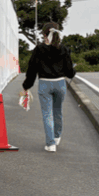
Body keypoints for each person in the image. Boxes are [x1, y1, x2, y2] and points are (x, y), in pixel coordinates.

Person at [21, 22, 76, 152]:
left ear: (44, 35)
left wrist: (26, 86)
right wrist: (72, 71)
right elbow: (69, 72)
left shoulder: (39, 49)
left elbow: (32, 70)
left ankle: (50, 144)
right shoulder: (64, 49)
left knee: (47, 114)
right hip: (60, 83)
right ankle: (57, 137)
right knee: (58, 111)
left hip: (44, 84)